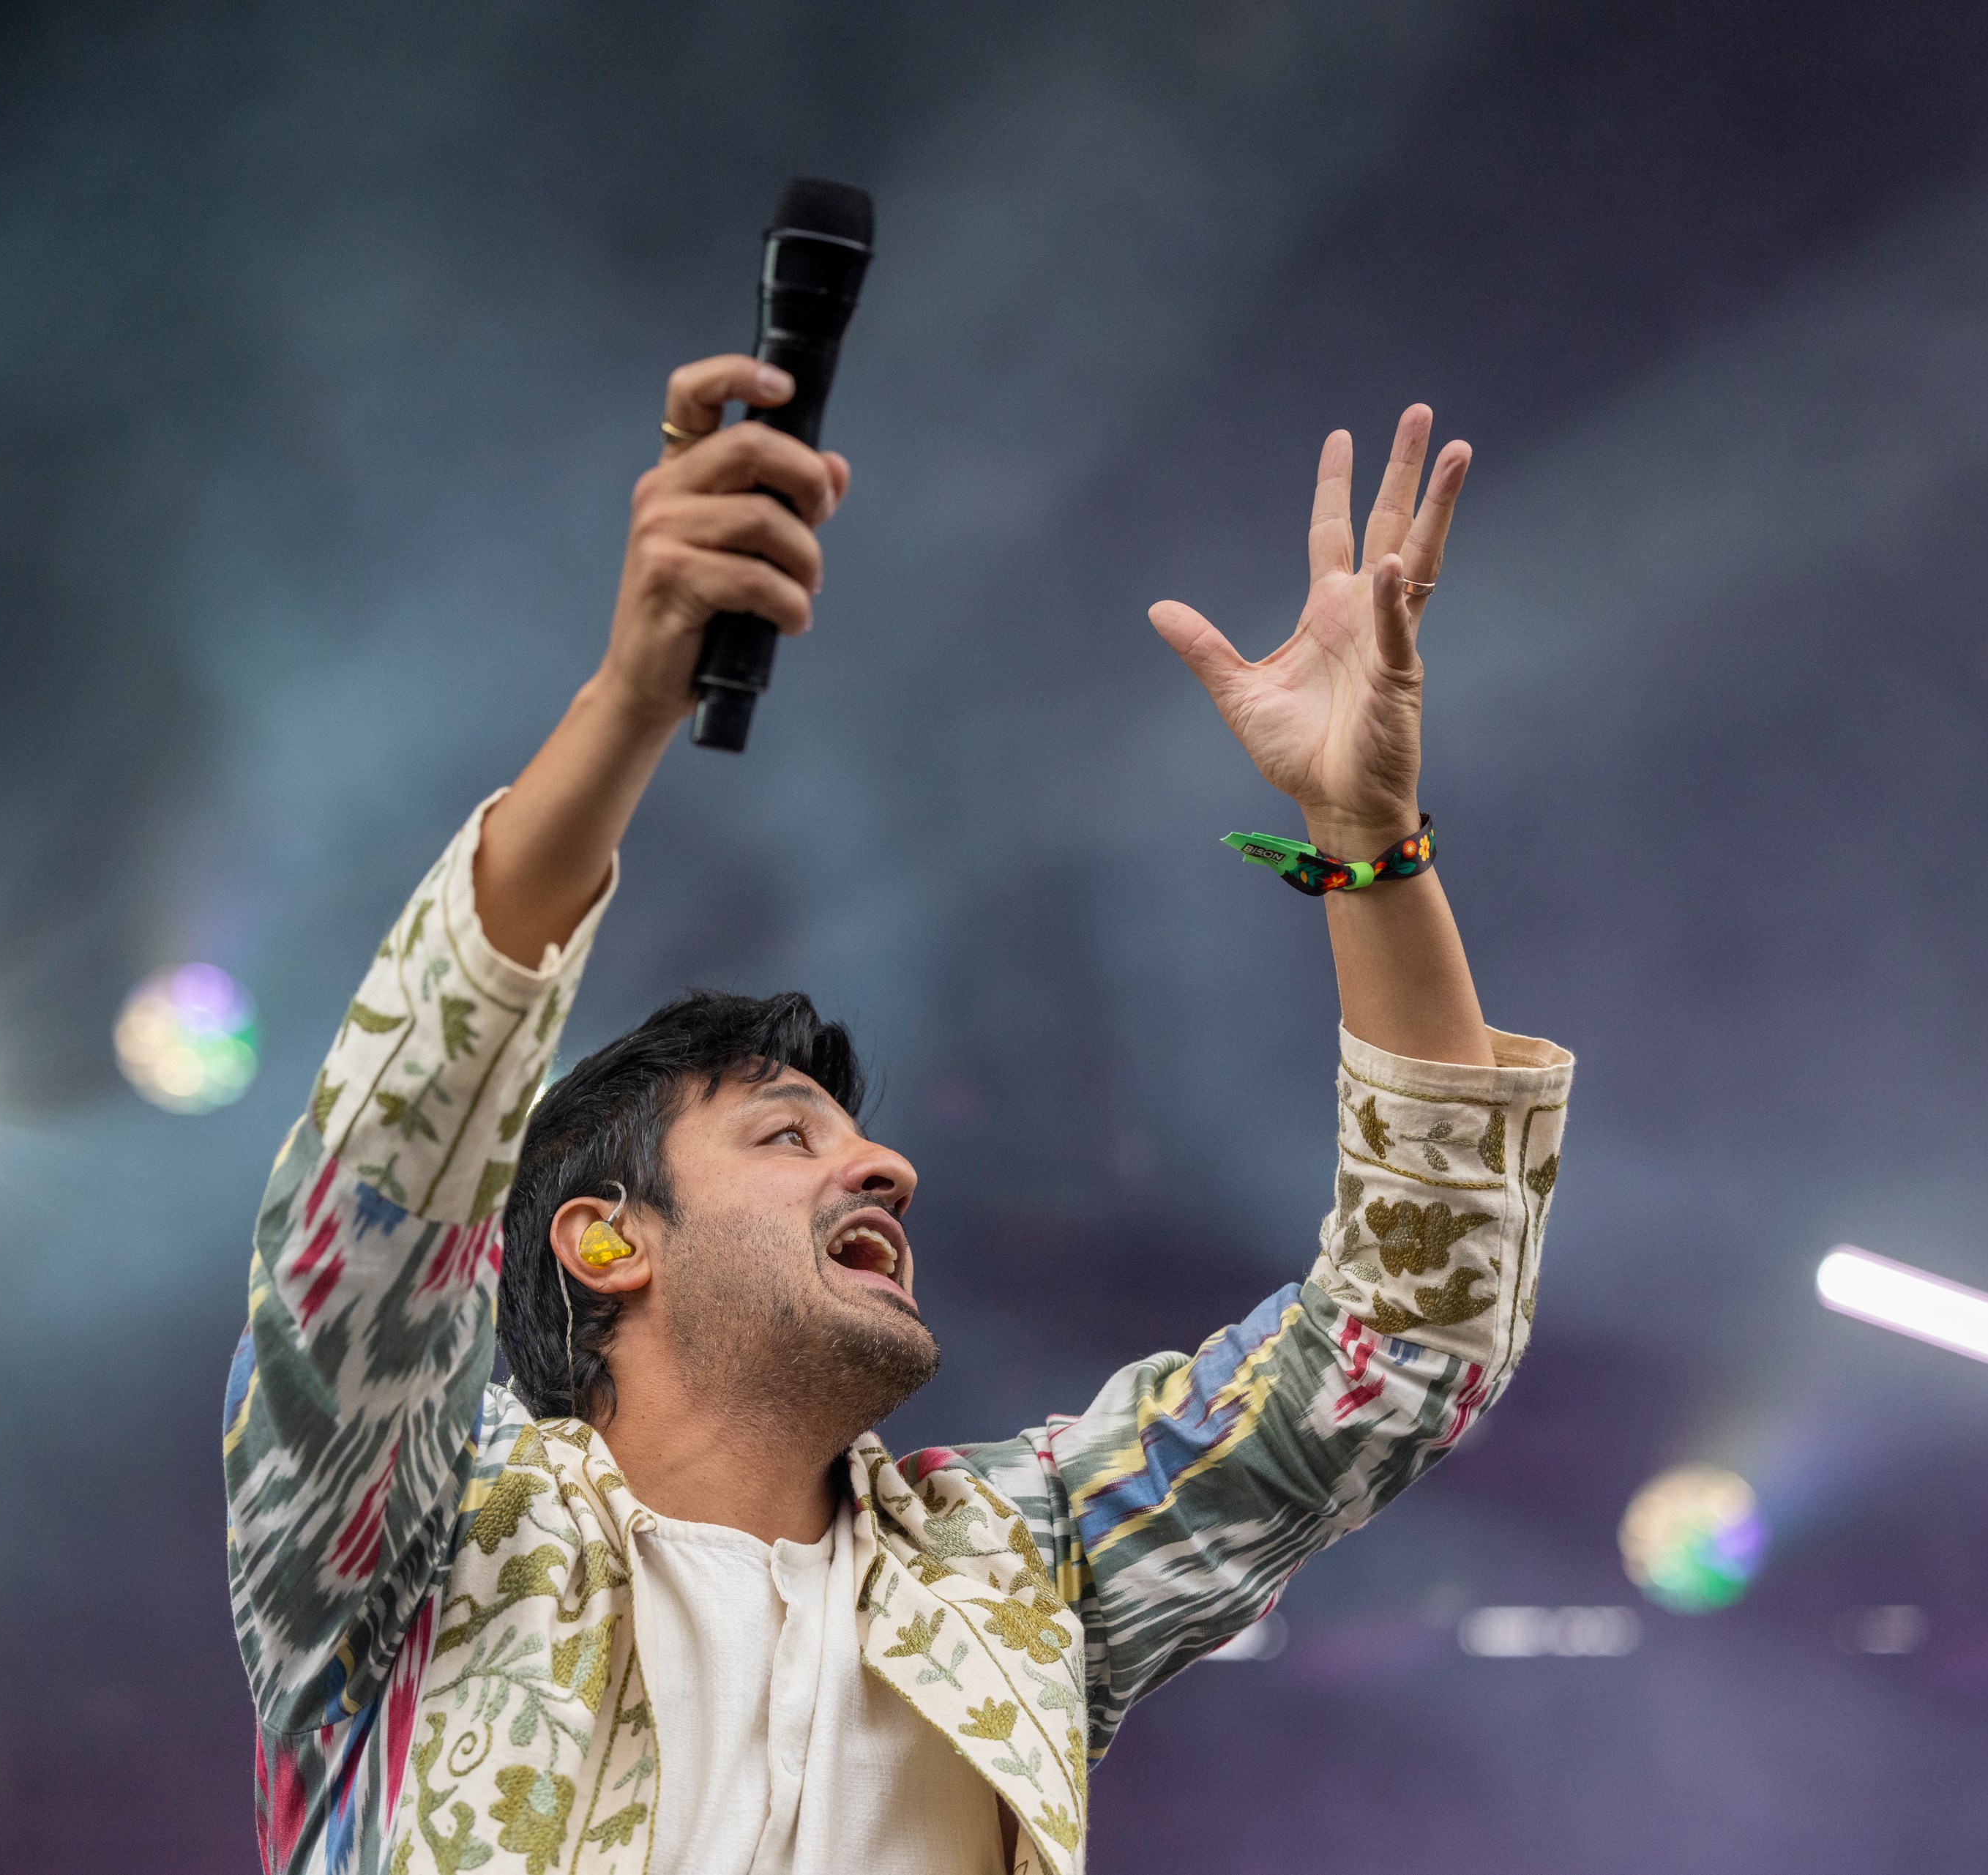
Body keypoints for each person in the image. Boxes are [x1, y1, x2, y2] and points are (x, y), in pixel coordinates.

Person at [223, 353, 1572, 1875]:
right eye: (784, 1133)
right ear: (606, 1243)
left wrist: (1368, 840)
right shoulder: (421, 1543)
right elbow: (379, 1200)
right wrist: (630, 700)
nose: (888, 1162)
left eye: (850, 1134)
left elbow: (1412, 1339)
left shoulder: (1019, 1567)